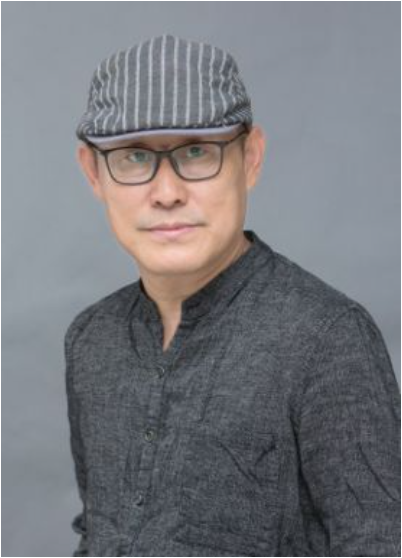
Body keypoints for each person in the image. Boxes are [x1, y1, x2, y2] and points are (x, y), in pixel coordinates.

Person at [66, 34, 400, 557]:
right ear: (93, 173)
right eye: (133, 157)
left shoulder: (326, 340)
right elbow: (99, 534)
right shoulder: (91, 339)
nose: (167, 192)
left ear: (251, 158)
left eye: (198, 151)